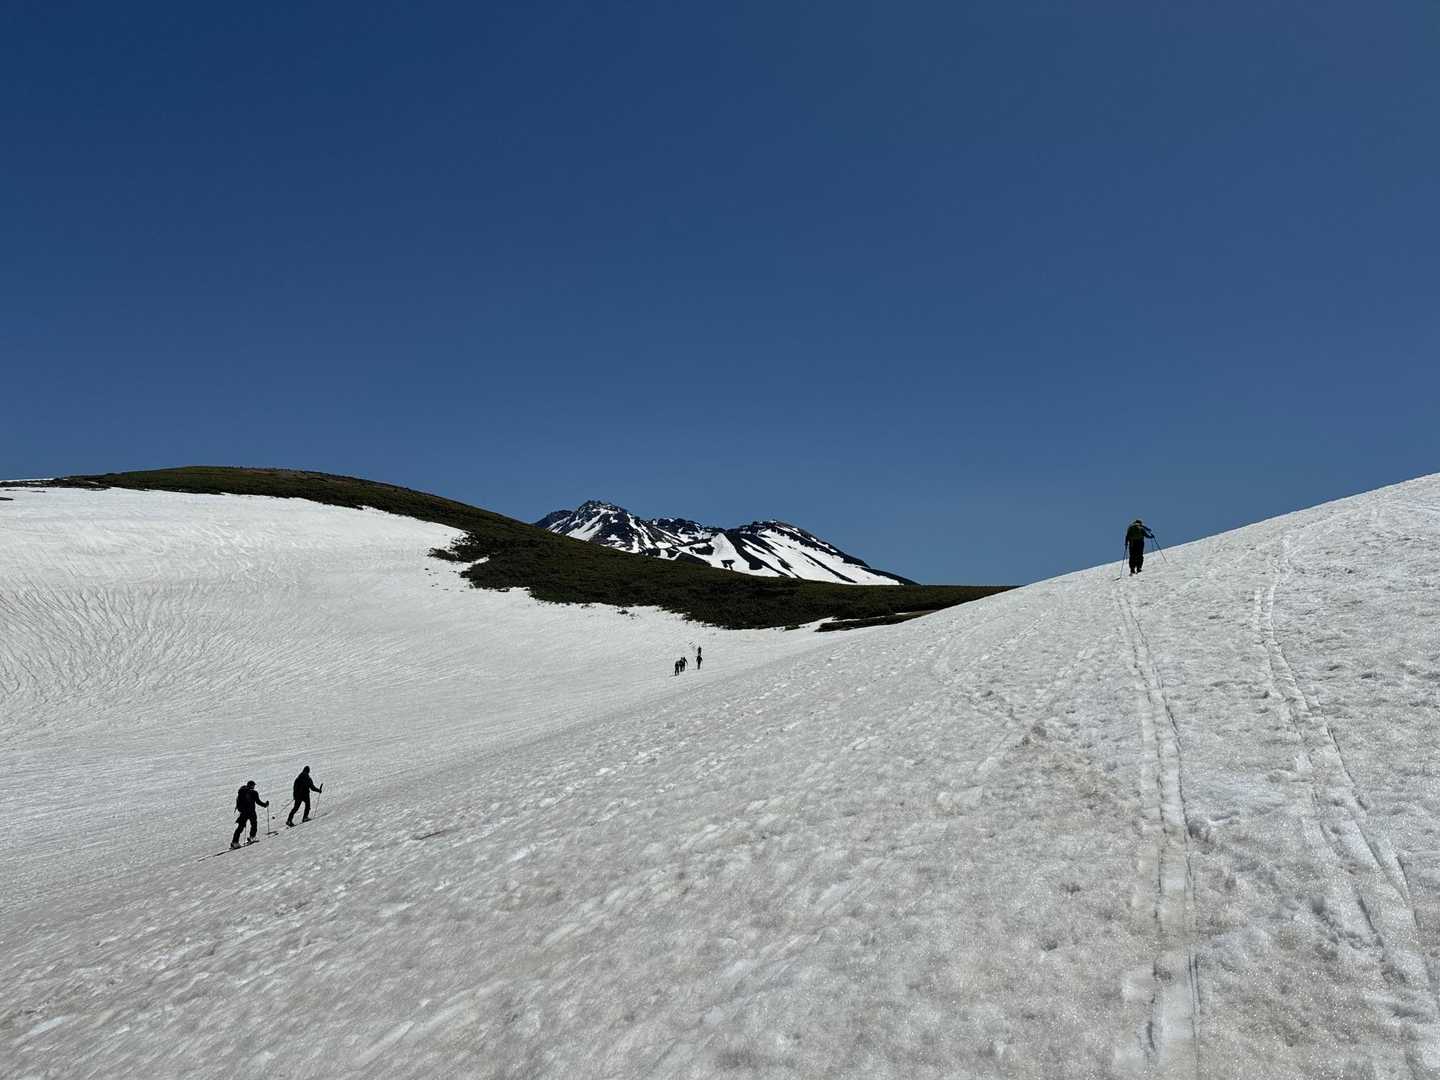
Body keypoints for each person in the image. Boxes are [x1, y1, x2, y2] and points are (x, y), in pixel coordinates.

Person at [232, 780, 268, 848]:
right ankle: (252, 837)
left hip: (243, 812)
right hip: (251, 812)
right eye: (253, 785)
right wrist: (265, 805)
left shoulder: (241, 791)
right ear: (252, 785)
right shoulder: (253, 792)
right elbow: (258, 802)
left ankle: (234, 842)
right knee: (254, 824)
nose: (254, 786)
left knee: (240, 827)